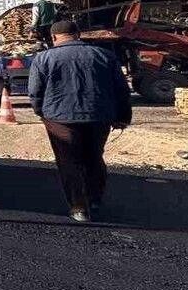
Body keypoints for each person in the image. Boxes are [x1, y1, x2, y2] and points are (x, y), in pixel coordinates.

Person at [28, 20, 131, 222]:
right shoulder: (104, 56)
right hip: (98, 115)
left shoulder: (44, 58)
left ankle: (79, 207)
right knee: (94, 157)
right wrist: (122, 116)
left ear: (54, 37)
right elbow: (122, 90)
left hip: (59, 118)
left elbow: (35, 91)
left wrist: (41, 112)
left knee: (69, 161)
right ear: (78, 34)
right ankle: (95, 200)